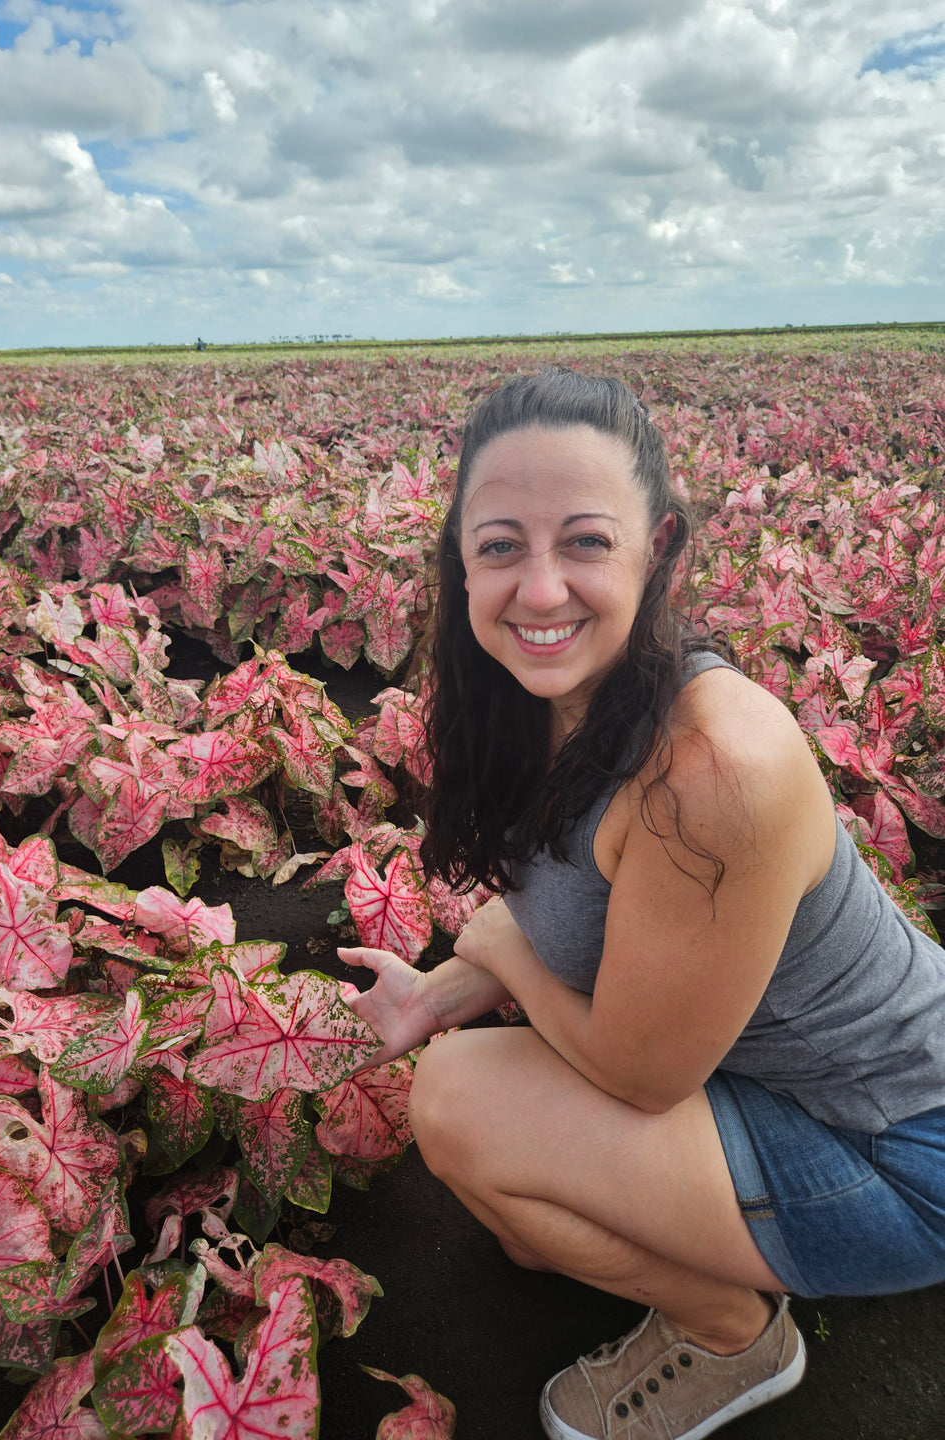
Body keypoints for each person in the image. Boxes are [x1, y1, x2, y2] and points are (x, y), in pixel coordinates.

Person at [338, 369, 945, 1440]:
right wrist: (438, 991)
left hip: (901, 1150)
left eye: (582, 541)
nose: (538, 589)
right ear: (459, 563)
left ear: (657, 550)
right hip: (781, 1089)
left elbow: (639, 1073)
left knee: (461, 1106)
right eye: (500, 546)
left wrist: (501, 955)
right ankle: (703, 1244)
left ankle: (733, 1335)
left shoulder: (711, 767)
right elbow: (587, 915)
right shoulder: (552, 698)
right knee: (522, 1218)